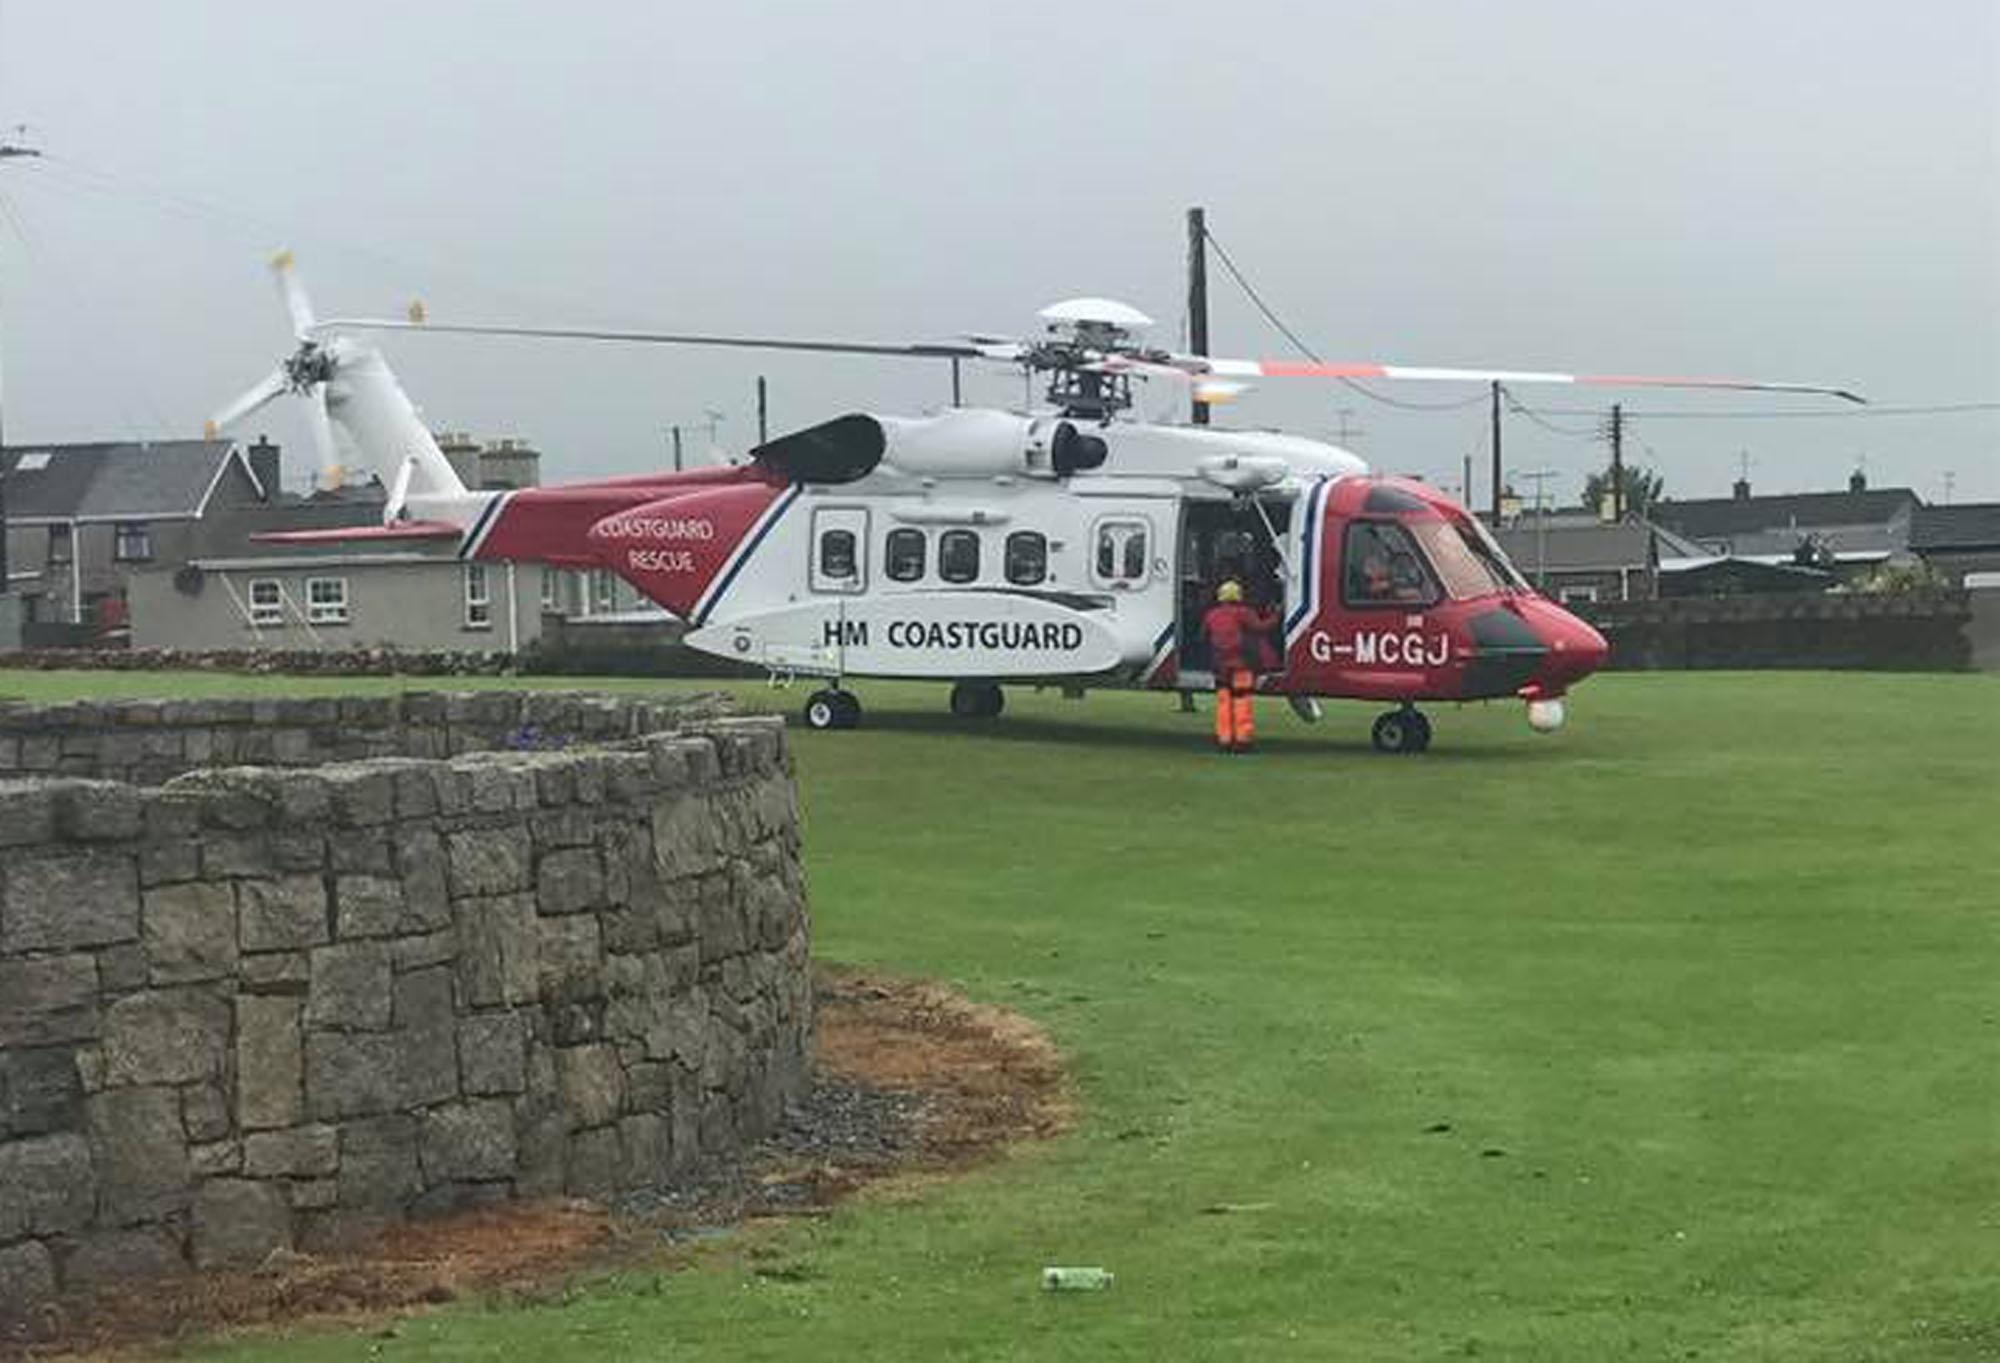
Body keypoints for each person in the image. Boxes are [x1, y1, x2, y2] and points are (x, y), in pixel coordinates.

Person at [1201, 579, 1279, 753]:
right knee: (1242, 701)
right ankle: (1243, 741)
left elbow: (1203, 635)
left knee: (1223, 703)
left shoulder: (1211, 614)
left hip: (1219, 667)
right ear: (1239, 596)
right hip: (1242, 666)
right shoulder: (1244, 613)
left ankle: (1224, 740)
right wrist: (1276, 616)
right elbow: (1261, 627)